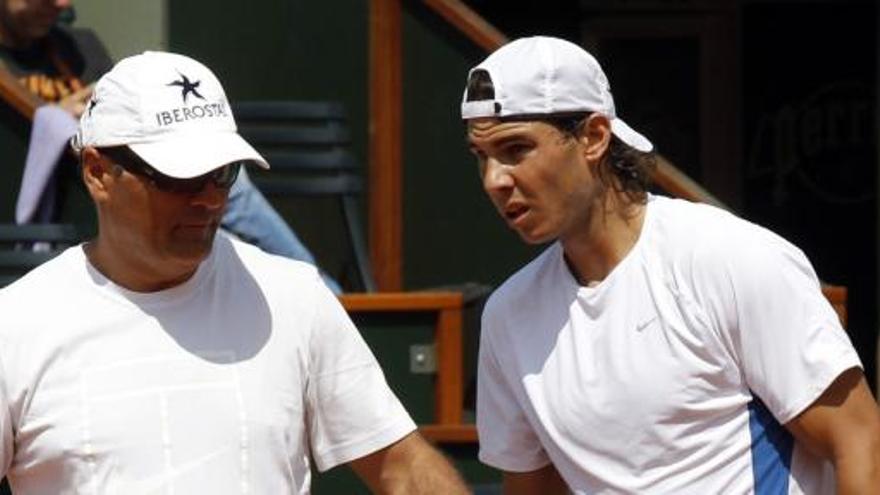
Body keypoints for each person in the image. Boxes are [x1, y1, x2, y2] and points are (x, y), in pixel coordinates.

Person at [0, 50, 468, 493]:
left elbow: (403, 467)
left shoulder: (293, 297)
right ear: (98, 172)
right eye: (179, 177)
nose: (210, 198)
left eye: (223, 173)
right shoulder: (17, 324)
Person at [462, 36, 880, 494]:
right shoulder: (507, 316)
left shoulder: (730, 258)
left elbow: (859, 438)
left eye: (516, 149)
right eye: (482, 157)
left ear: (594, 137)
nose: (494, 180)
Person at [0, 0, 342, 294]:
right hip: (88, 198)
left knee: (226, 182)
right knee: (196, 212)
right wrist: (54, 121)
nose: (61, 3)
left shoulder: (76, 47)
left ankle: (324, 293)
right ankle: (324, 294)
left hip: (129, 186)